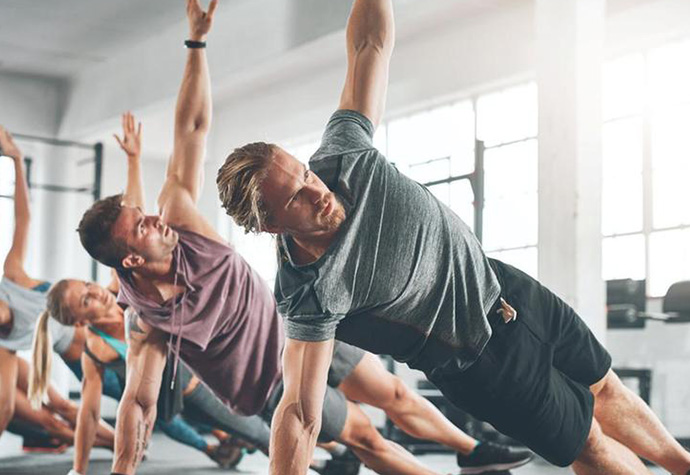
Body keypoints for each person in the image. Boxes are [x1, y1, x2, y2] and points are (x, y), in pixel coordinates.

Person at [215, 0, 690, 474]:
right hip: (482, 362)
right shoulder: (310, 293)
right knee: (589, 441)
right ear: (272, 225)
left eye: (304, 172)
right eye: (295, 196)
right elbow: (299, 413)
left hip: (508, 288)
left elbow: (369, 46)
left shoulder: (345, 153)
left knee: (607, 389)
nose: (315, 189)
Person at [75, 2, 531, 474]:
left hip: (302, 328)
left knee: (394, 393)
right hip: (267, 383)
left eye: (144, 215)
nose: (154, 219)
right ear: (131, 261)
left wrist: (197, 42)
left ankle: (474, 452)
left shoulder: (180, 217)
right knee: (364, 435)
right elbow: (138, 401)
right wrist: (121, 468)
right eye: (141, 228)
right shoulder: (147, 322)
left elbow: (192, 129)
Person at [28, 112, 259, 473]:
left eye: (88, 286)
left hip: (196, 381)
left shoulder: (122, 286)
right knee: (162, 413)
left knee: (255, 427)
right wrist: (79, 469)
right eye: (86, 300)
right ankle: (216, 445)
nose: (96, 293)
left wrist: (134, 160)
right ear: (79, 321)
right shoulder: (95, 349)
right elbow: (89, 414)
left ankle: (255, 443)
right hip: (169, 399)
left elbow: (131, 220)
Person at [0, 126, 112, 451]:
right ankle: (114, 446)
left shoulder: (13, 276)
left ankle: (124, 443)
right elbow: (3, 410)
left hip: (82, 334)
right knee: (54, 421)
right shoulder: (5, 349)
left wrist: (16, 159)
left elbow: (23, 219)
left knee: (64, 407)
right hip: (63, 348)